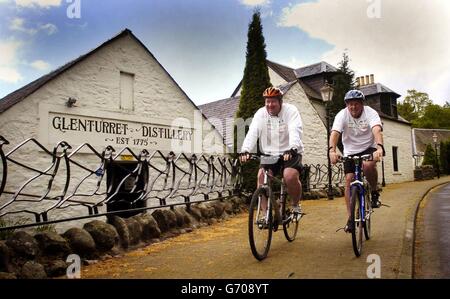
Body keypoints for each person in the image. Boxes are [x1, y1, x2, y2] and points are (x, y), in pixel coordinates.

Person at [239, 86, 304, 221]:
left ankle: (296, 205)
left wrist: (292, 147)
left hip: (290, 151)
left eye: (273, 101)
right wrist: (245, 150)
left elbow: (294, 130)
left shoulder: (291, 111)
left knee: (289, 176)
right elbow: (252, 133)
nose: (270, 105)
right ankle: (265, 214)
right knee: (261, 176)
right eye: (267, 101)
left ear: (280, 101)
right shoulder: (260, 114)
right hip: (270, 153)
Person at [329, 89, 384, 233]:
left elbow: (377, 129)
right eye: (350, 104)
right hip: (350, 152)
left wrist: (379, 148)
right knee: (349, 179)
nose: (353, 107)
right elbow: (335, 133)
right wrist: (332, 151)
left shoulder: (370, 113)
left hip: (368, 148)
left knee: (367, 166)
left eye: (356, 104)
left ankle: (374, 191)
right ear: (346, 105)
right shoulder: (342, 115)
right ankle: (350, 218)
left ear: (362, 104)